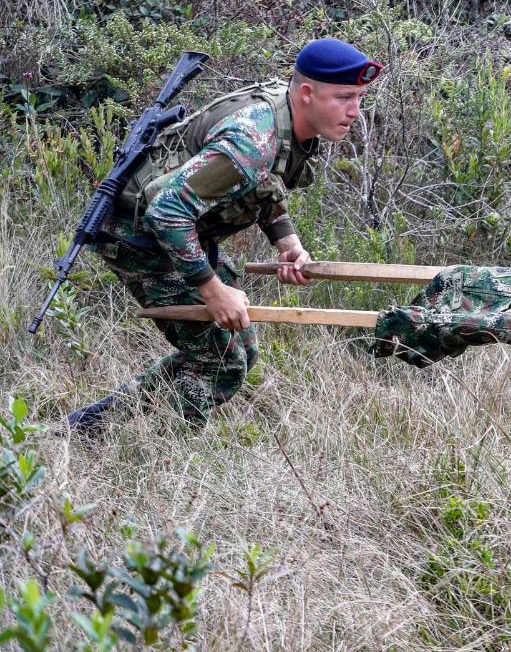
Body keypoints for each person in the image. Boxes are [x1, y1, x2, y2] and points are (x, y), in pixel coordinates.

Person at [65, 38, 382, 432]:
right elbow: (166, 210)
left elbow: (264, 183)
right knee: (221, 364)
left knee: (239, 350)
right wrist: (214, 292)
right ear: (306, 93)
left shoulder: (288, 118)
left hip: (181, 231)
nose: (355, 111)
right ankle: (143, 448)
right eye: (344, 97)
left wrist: (288, 243)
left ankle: (92, 425)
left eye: (359, 98)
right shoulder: (252, 140)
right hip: (139, 235)